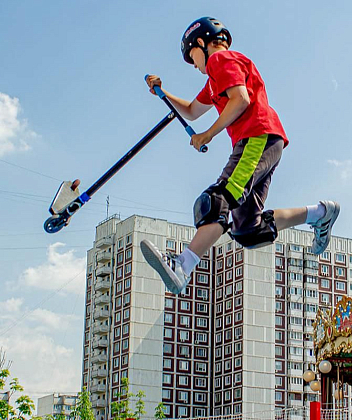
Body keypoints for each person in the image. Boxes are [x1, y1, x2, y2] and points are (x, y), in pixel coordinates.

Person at [141, 17, 340, 295]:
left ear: (201, 43)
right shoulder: (213, 81)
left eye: (192, 56)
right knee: (248, 230)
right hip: (263, 141)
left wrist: (208, 134)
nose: (194, 64)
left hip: (257, 136)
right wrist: (163, 94)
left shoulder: (221, 61)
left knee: (215, 201)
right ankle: (321, 213)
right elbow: (190, 111)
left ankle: (182, 266)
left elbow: (241, 99)